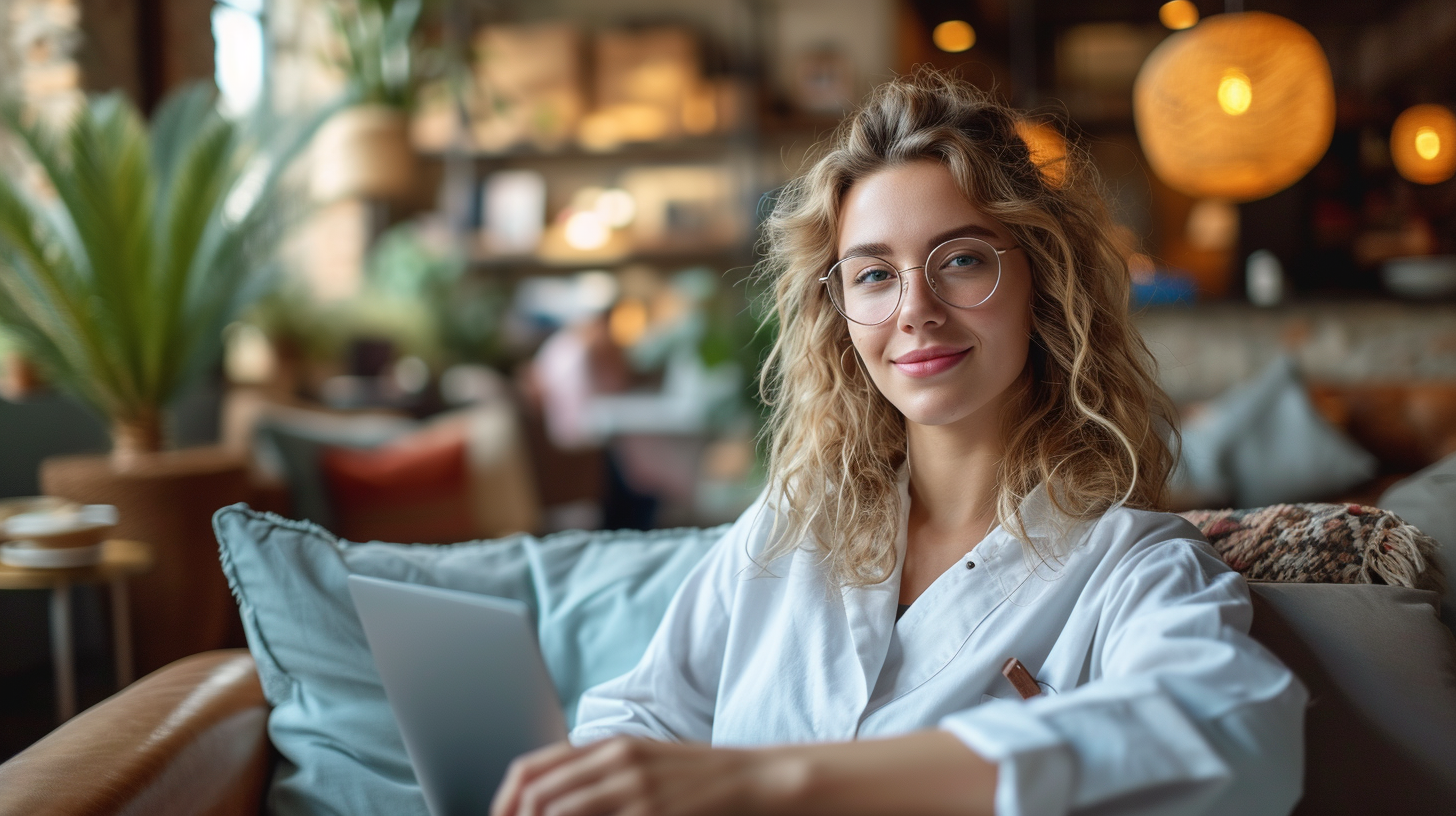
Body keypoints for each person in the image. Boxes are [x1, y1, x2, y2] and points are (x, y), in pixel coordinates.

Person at [491, 71, 1307, 816]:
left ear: (1045, 286)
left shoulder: (1131, 564)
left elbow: (1235, 732)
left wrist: (773, 780)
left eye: (960, 260)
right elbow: (640, 713)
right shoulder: (791, 530)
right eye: (875, 274)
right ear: (840, 312)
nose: (914, 309)